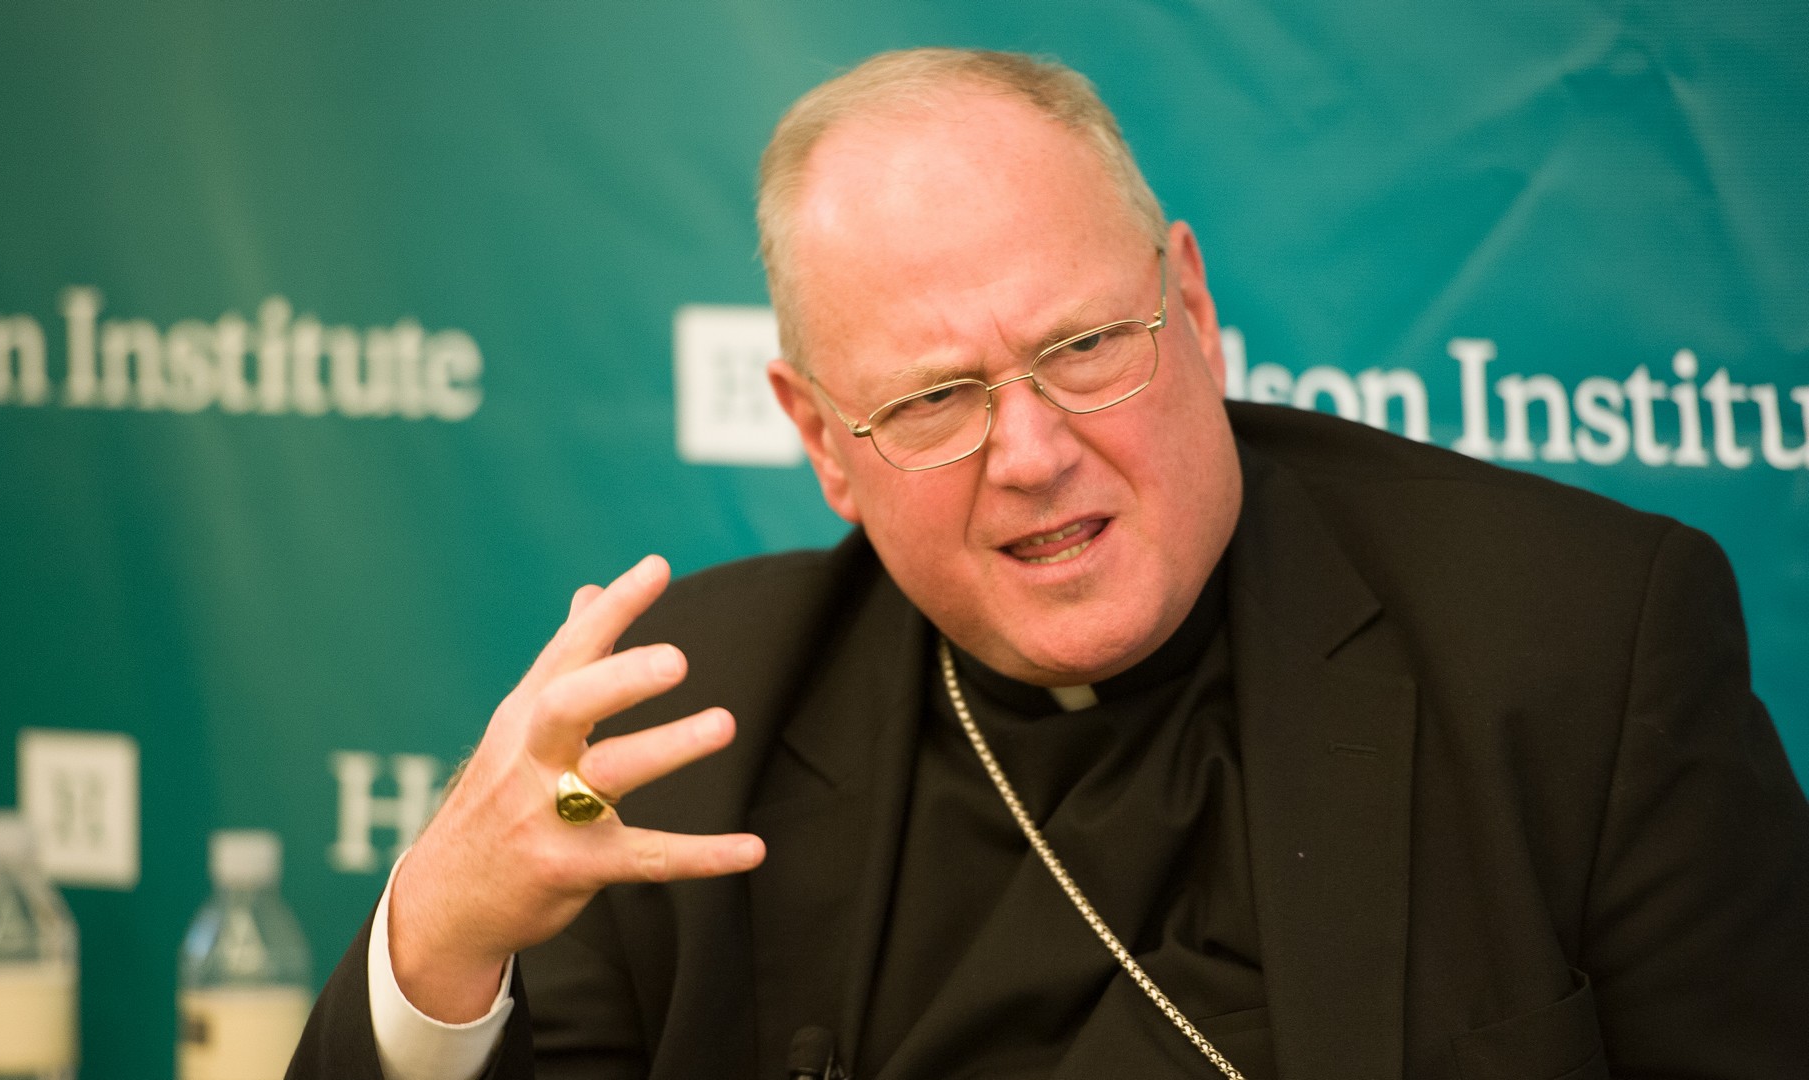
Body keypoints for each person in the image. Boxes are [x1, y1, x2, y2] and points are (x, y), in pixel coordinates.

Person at [289, 48, 1809, 1079]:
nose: (1031, 451)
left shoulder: (1577, 646)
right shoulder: (689, 731)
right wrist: (440, 937)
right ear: (821, 437)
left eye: (1084, 348)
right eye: (936, 399)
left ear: (1192, 305)